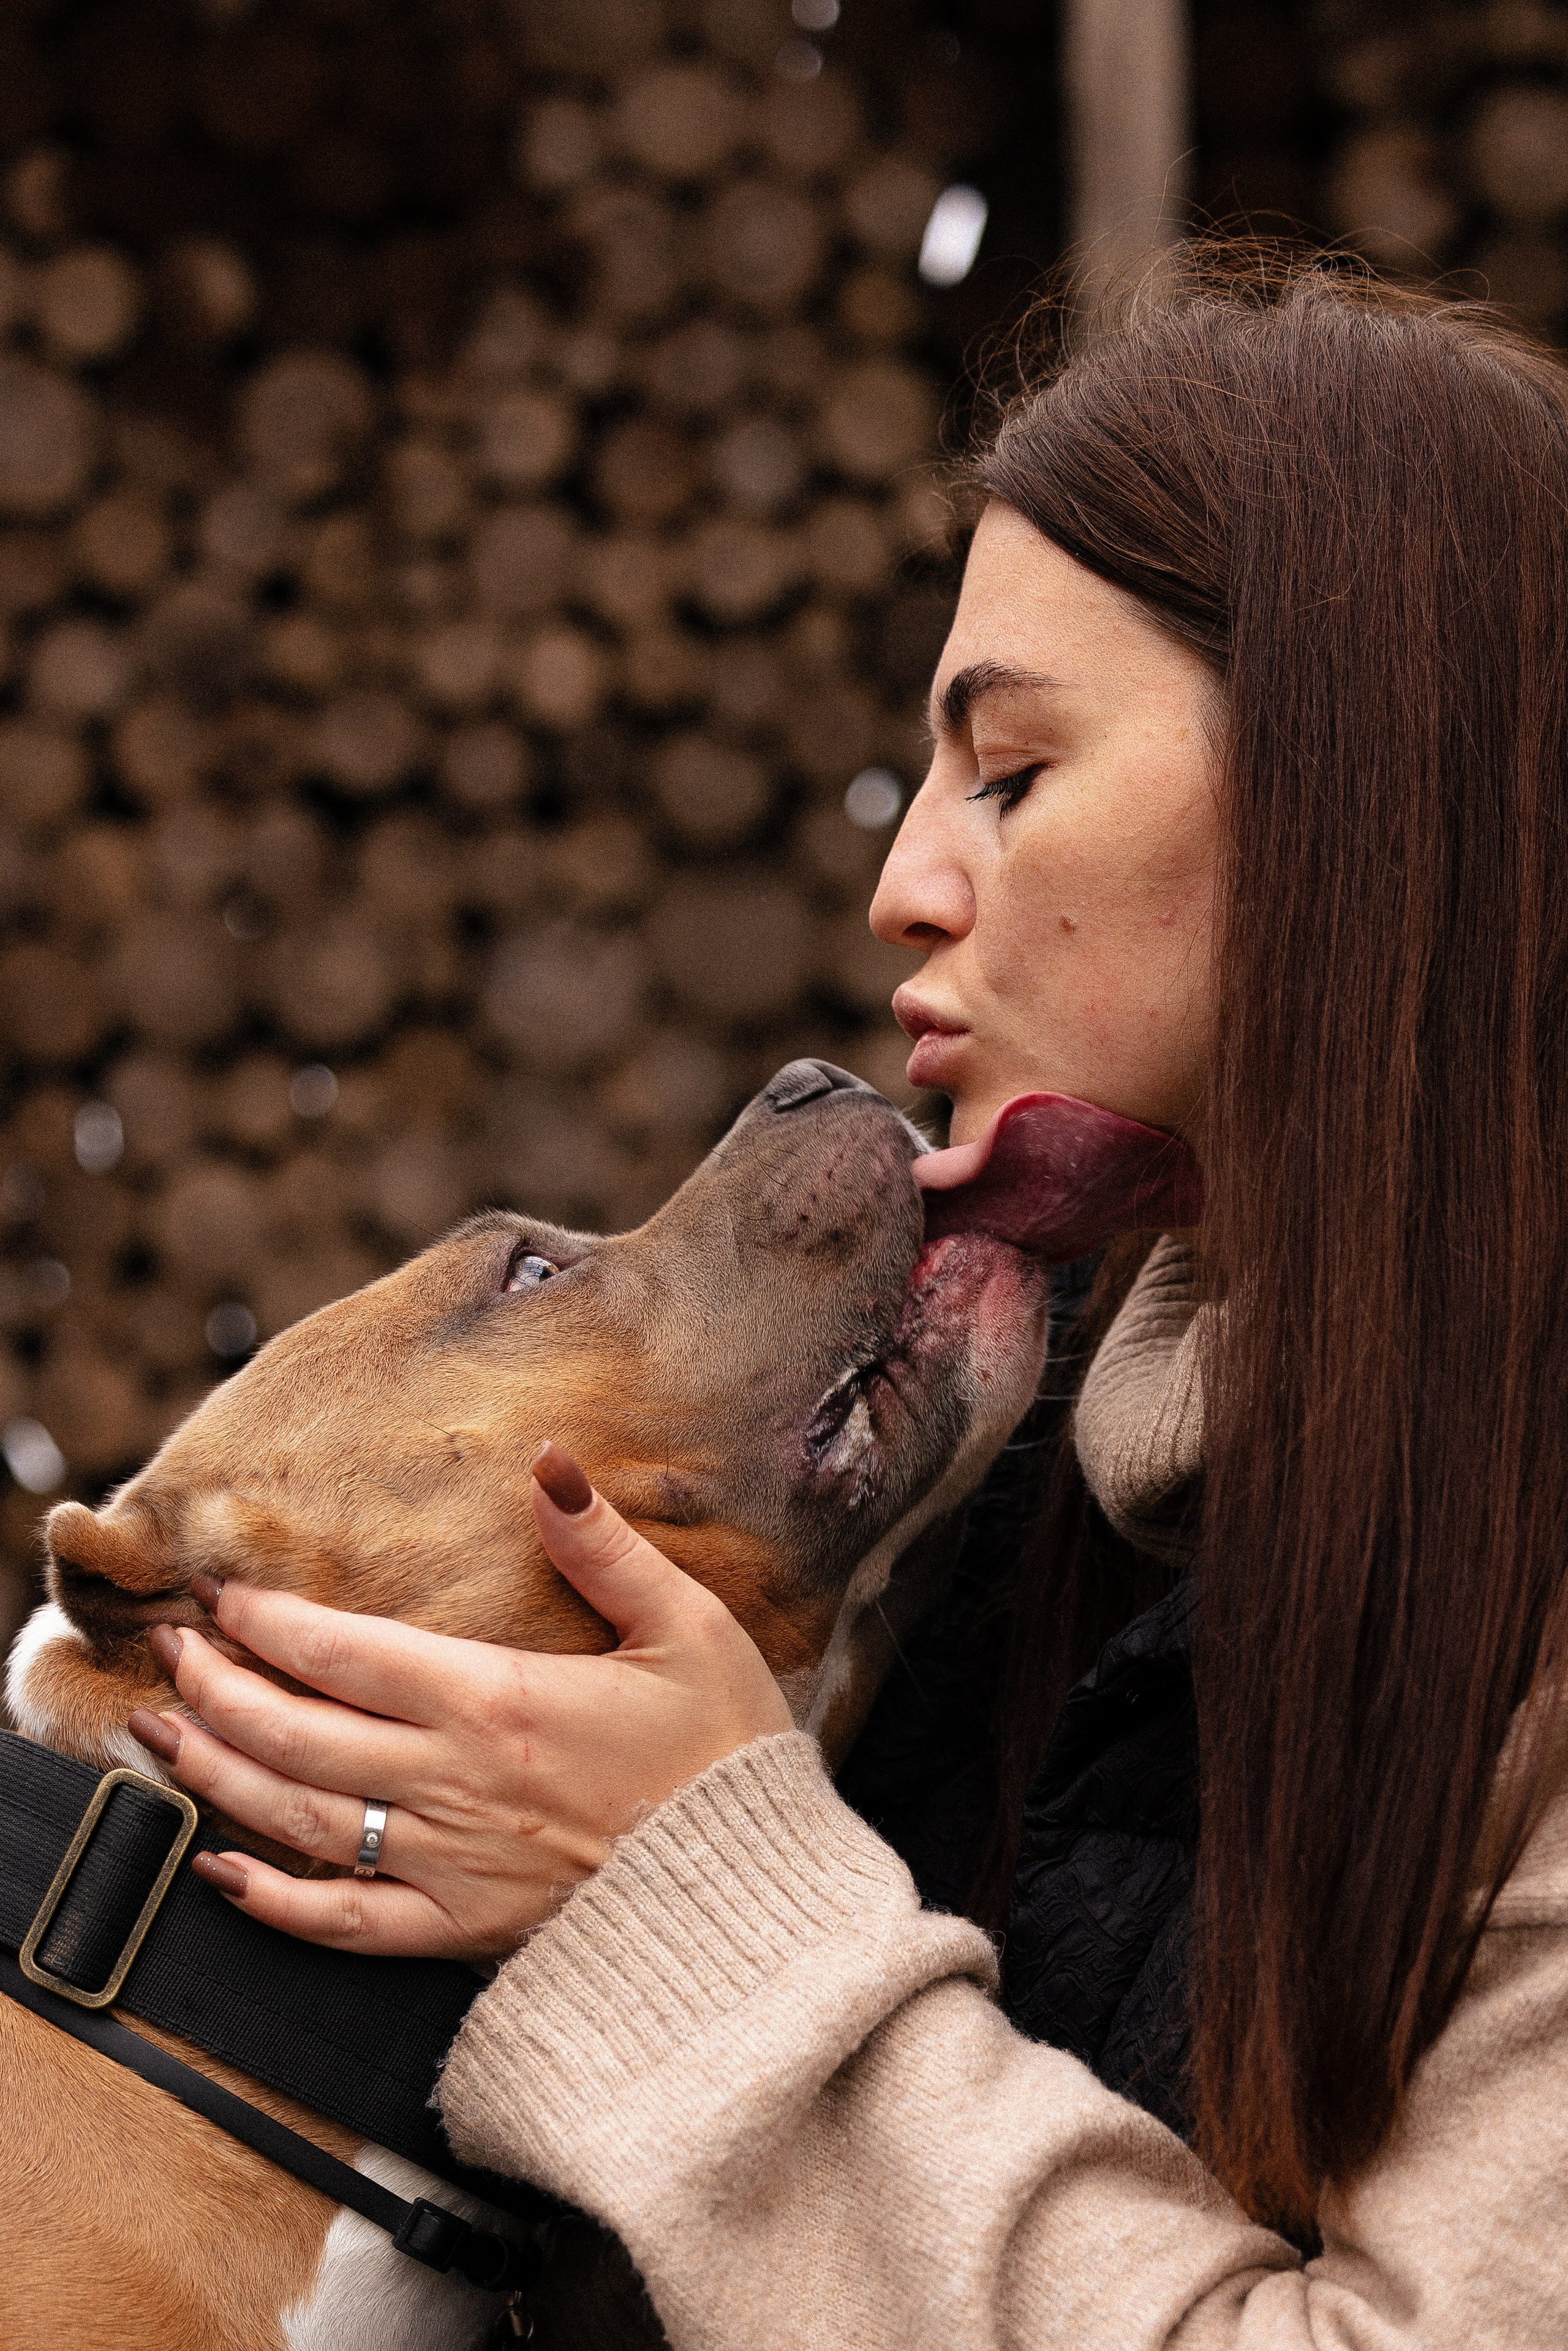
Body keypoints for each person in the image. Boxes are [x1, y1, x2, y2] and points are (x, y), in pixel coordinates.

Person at [127, 251, 1568, 2345]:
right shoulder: (1008, 1486)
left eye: (1012, 771)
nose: (904, 887)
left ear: (1373, 792)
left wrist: (698, 1909)